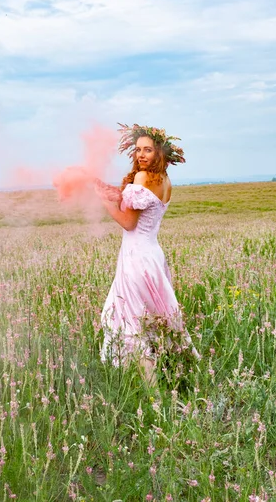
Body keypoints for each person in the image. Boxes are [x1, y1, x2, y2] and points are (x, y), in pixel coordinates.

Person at [95, 123, 200, 386]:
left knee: (129, 322)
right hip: (152, 255)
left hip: (136, 258)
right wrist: (117, 194)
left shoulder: (142, 179)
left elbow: (129, 223)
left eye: (148, 150)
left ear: (159, 153)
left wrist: (105, 202)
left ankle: (154, 395)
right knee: (159, 317)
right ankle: (186, 378)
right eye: (138, 150)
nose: (141, 155)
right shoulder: (164, 181)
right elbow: (142, 209)